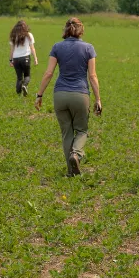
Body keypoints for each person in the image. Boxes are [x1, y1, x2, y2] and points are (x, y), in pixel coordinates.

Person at [35, 17, 102, 176]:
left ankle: (70, 171)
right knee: (81, 130)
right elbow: (92, 76)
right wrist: (98, 99)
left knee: (66, 132)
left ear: (65, 30)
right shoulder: (88, 48)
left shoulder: (57, 47)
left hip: (60, 95)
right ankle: (76, 154)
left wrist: (39, 95)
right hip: (80, 94)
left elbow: (49, 73)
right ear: (81, 30)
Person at [9, 20, 38, 96]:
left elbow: (12, 50)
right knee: (27, 75)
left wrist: (11, 60)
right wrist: (35, 58)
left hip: (16, 59)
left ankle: (18, 94)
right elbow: (32, 48)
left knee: (19, 77)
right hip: (25, 58)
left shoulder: (13, 36)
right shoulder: (29, 35)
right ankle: (24, 85)